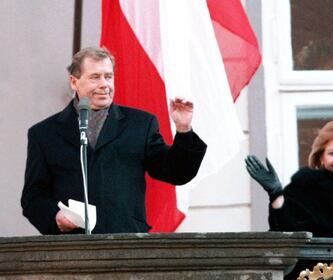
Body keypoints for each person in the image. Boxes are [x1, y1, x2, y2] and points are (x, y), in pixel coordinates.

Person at [21, 47, 207, 234]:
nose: (104, 84)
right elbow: (33, 197)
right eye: (95, 77)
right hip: (71, 247)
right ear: (74, 82)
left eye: (108, 77)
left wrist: (183, 129)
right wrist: (56, 217)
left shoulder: (140, 124)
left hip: (126, 242)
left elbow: (175, 172)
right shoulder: (44, 134)